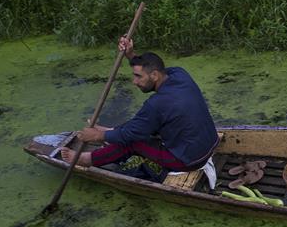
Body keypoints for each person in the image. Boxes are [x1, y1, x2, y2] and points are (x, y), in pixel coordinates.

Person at [60, 36, 219, 175]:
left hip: (188, 160)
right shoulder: (179, 73)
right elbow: (154, 70)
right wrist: (131, 55)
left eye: (138, 76)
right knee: (143, 122)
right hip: (210, 143)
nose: (134, 82)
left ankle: (87, 159)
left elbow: (132, 134)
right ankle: (112, 131)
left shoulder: (155, 104)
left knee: (132, 141)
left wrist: (96, 136)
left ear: (155, 75)